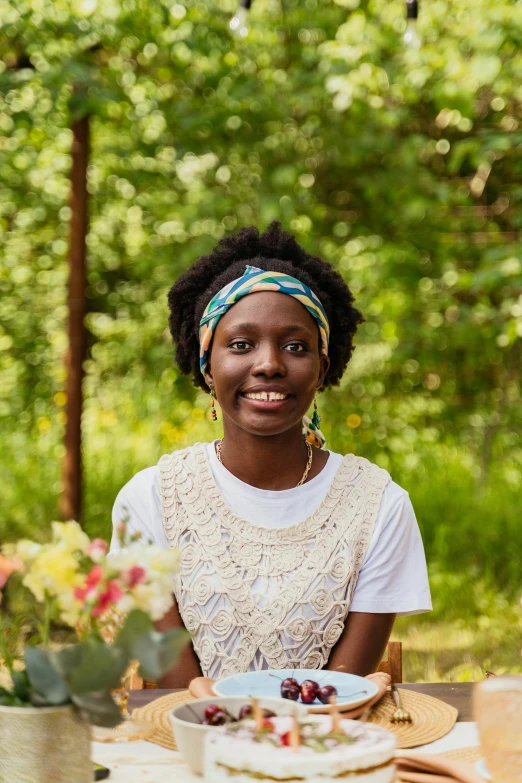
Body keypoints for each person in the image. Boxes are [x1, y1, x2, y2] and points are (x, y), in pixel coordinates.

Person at [110, 222, 431, 689]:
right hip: (191, 747)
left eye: (295, 346)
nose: (269, 364)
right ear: (207, 364)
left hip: (325, 746)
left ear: (323, 365)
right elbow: (178, 689)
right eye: (240, 344)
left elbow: (343, 687)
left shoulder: (378, 505)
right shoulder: (151, 501)